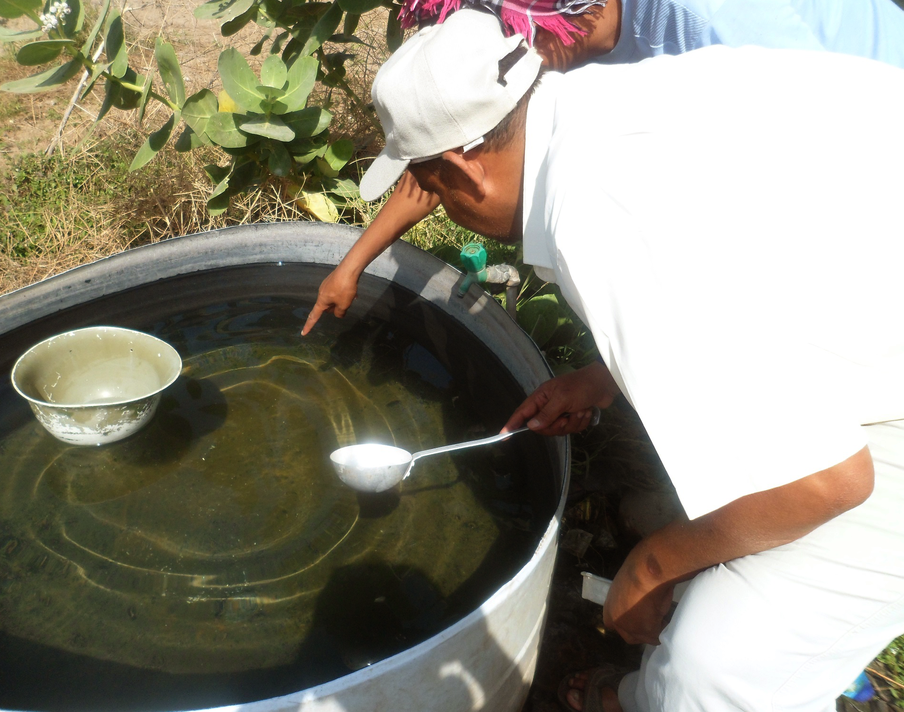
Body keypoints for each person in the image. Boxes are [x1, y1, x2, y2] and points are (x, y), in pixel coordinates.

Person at [341, 8, 904, 712]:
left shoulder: (593, 212)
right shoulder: (603, 105)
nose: (444, 208)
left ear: (462, 169)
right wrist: (608, 378)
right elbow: (741, 275)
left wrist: (656, 562)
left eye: (433, 188)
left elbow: (830, 480)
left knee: (716, 668)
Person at [299, 0, 904, 338]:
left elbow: (811, 191)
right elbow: (442, 162)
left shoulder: (719, 37)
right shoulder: (536, 47)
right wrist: (352, 265)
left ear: (560, 25)